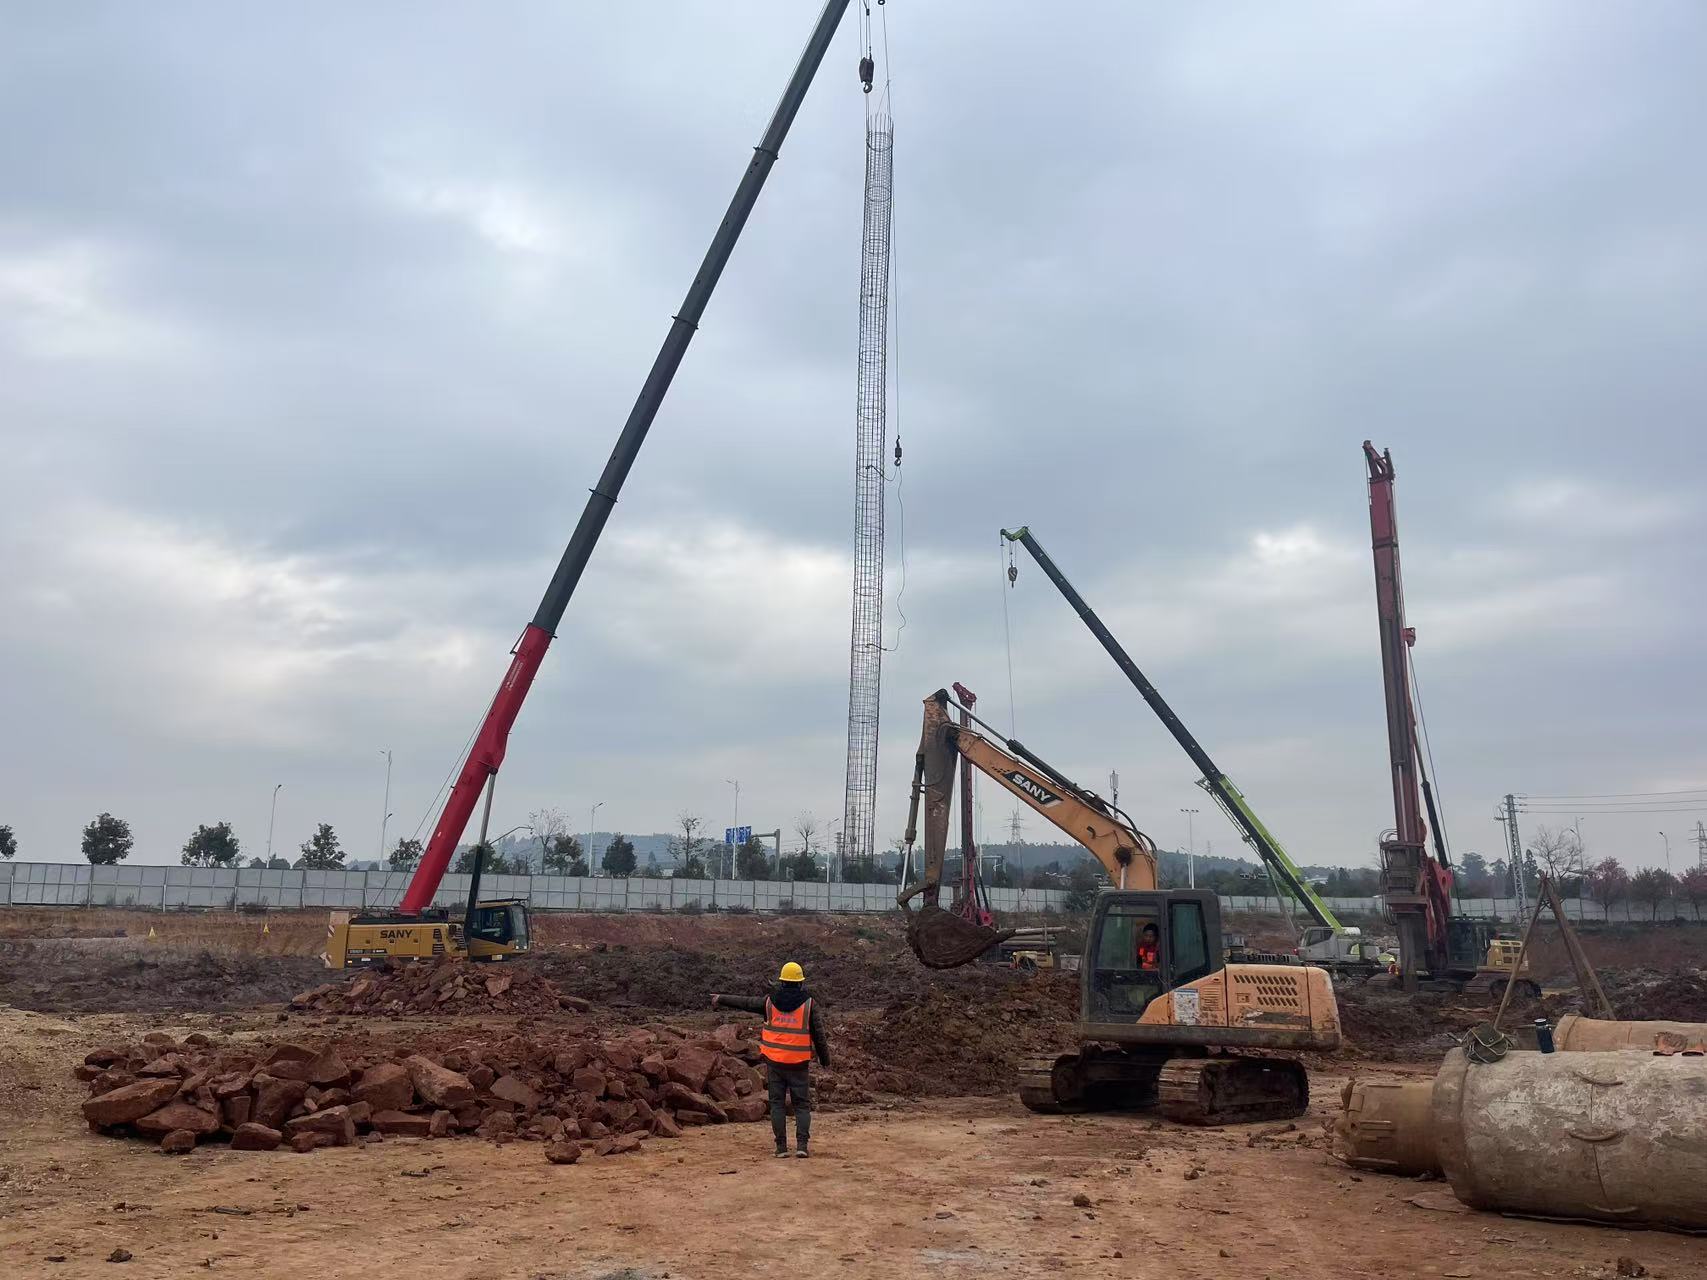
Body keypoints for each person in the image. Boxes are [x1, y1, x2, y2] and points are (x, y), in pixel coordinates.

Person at [711, 961, 830, 1158]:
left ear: (782, 982)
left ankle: (781, 1147)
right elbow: (819, 1035)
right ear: (800, 983)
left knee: (777, 1104)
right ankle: (802, 1146)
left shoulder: (769, 1001)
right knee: (801, 1105)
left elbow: (746, 1003)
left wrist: (720, 998)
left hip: (774, 1062)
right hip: (798, 1063)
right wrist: (825, 1060)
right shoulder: (809, 1004)